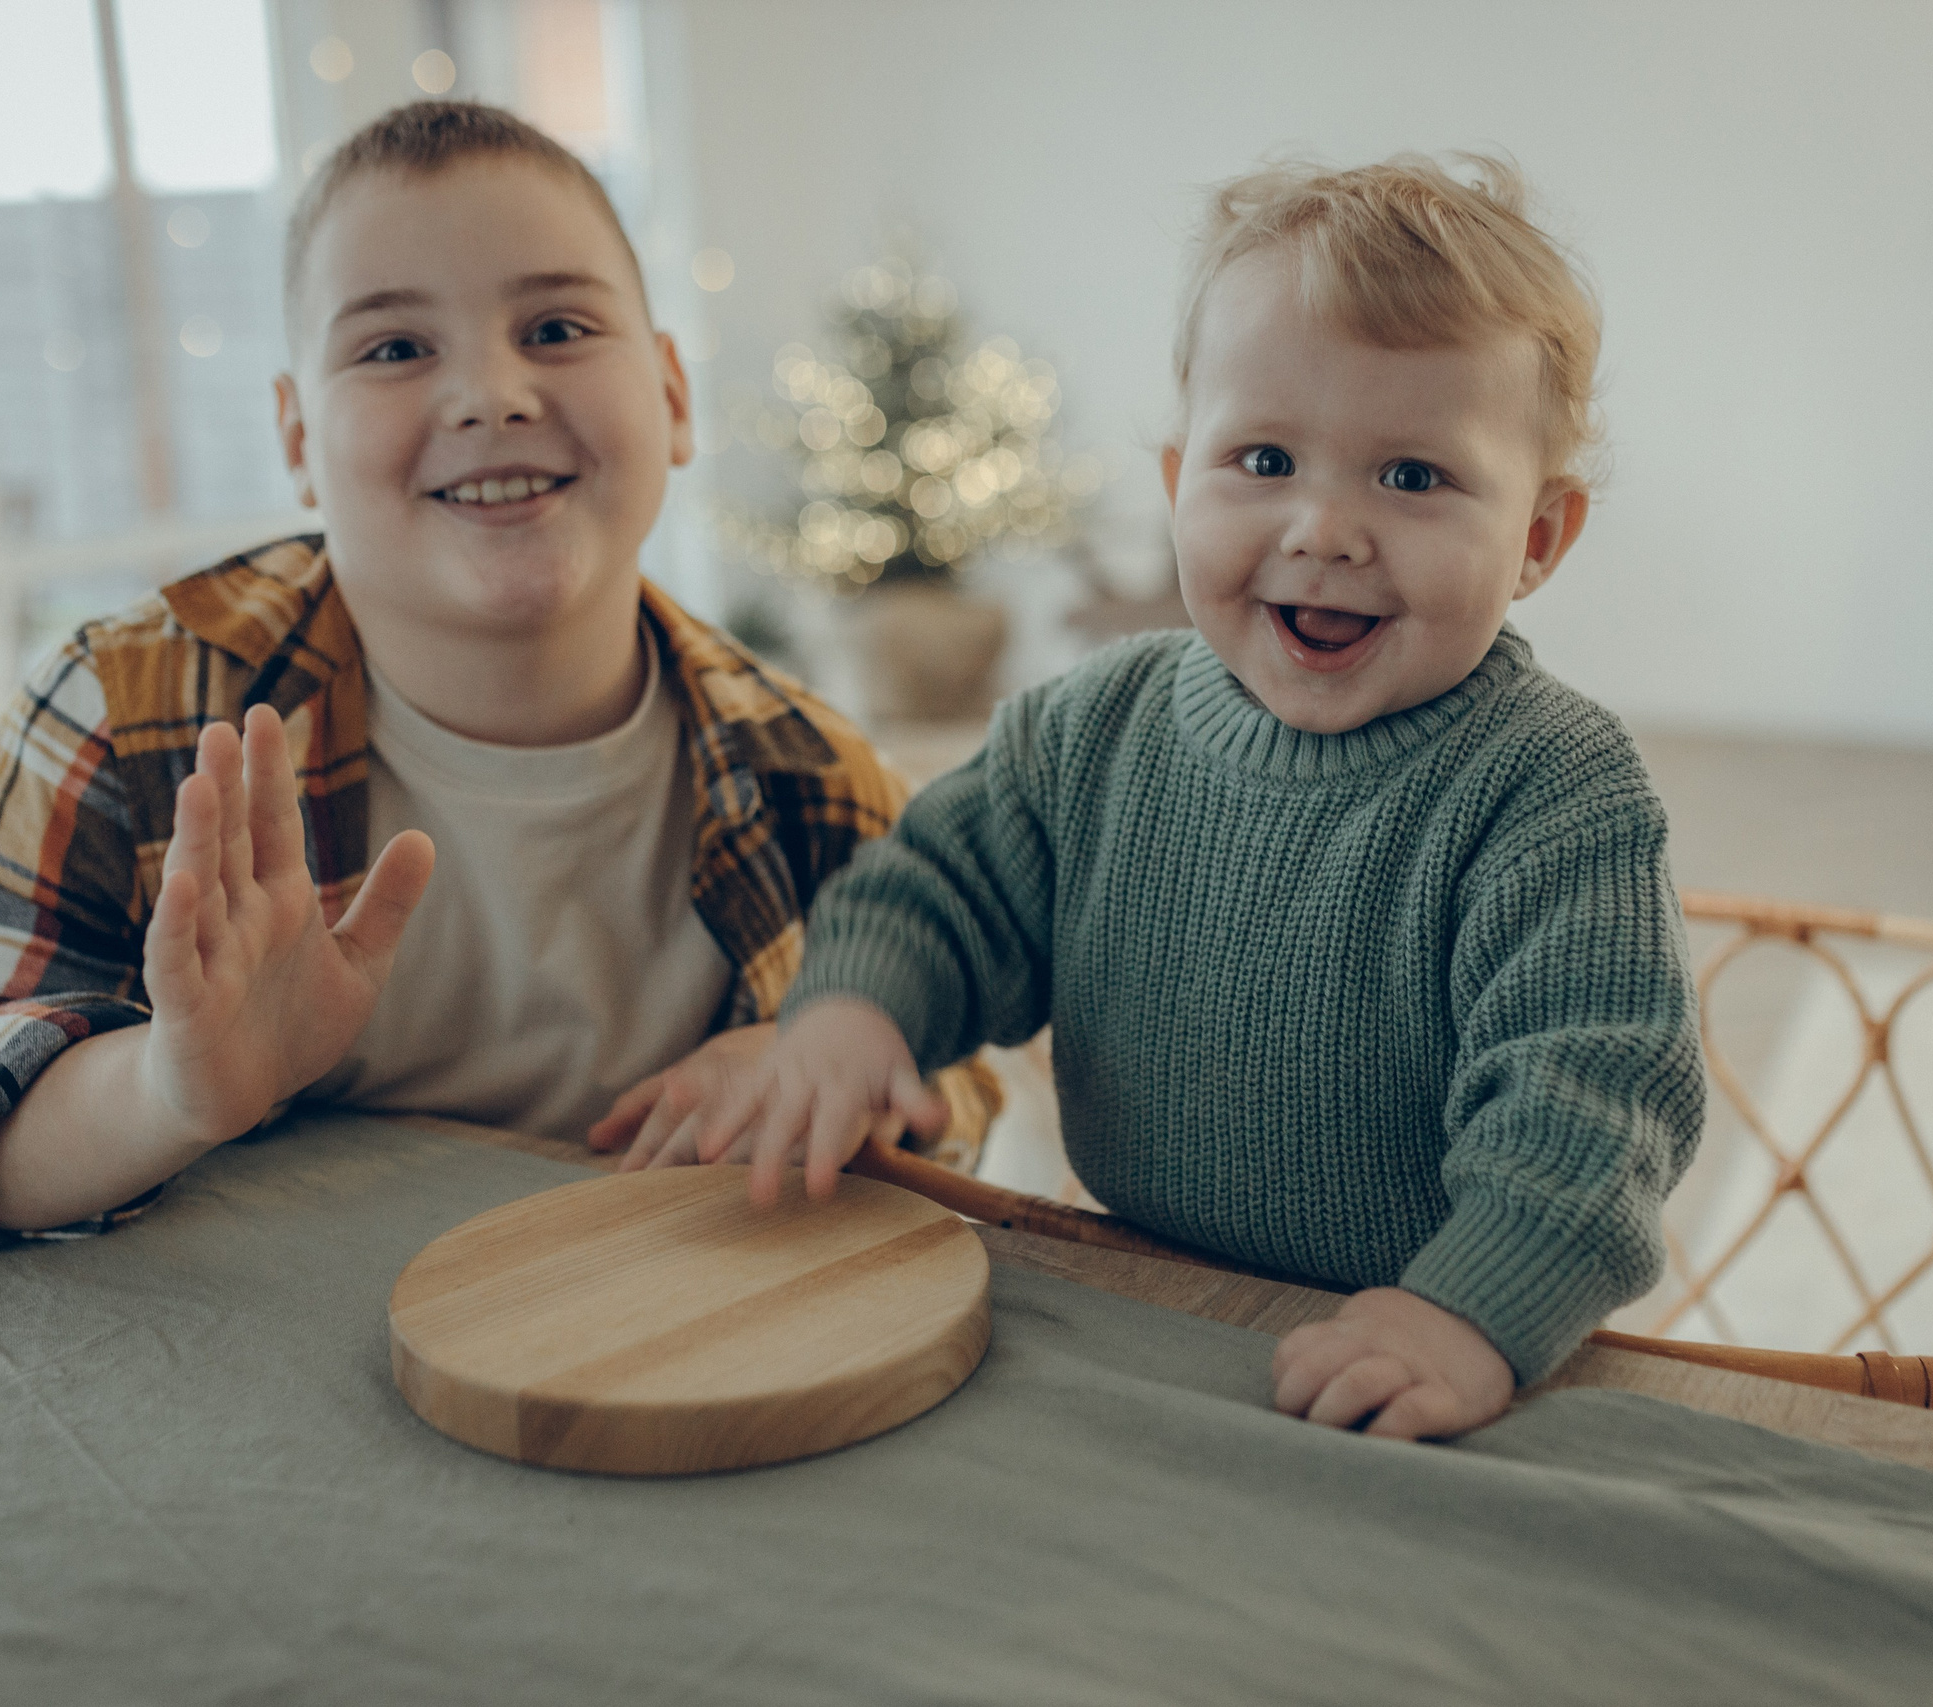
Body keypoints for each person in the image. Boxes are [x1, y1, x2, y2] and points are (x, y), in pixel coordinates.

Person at [638, 155, 1705, 1442]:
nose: (1324, 529)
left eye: (1412, 477)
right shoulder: (1096, 729)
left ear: (1538, 538)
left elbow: (1593, 1110)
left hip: (1426, 1335)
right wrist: (856, 1014)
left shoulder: (1553, 794)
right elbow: (940, 887)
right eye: (1263, 458)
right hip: (1135, 1282)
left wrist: (1468, 1318)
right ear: (1172, 479)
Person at [0, 101, 987, 1248]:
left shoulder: (809, 773)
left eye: (558, 330)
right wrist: (166, 1093)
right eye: (392, 348)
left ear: (673, 395)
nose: (490, 393)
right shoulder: (129, 714)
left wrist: (821, 1056)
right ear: (295, 443)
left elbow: (963, 1077)